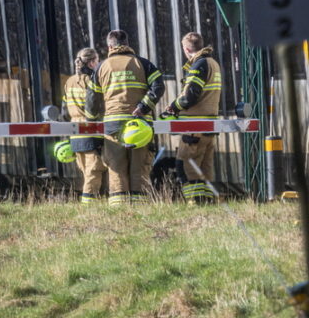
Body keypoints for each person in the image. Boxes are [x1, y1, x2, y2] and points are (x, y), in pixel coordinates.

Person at [90, 30, 164, 205]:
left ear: (110, 46)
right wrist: (143, 107)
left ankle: (119, 208)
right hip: (139, 124)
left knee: (116, 166)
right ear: (128, 43)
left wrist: (92, 118)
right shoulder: (143, 64)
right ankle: (141, 206)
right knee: (139, 165)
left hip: (112, 124)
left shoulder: (102, 66)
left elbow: (92, 99)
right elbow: (158, 86)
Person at [164, 32, 222, 203]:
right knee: (205, 166)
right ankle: (207, 201)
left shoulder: (198, 65)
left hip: (194, 126)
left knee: (185, 165)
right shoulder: (213, 63)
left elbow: (190, 95)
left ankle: (194, 202)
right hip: (210, 125)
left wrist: (173, 107)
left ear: (186, 48)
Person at [62, 47, 106, 204]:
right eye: (98, 60)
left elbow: (64, 112)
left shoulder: (69, 81)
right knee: (94, 171)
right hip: (92, 132)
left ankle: (93, 204)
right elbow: (98, 105)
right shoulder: (93, 80)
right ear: (92, 62)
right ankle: (88, 206)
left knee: (87, 173)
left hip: (75, 133)